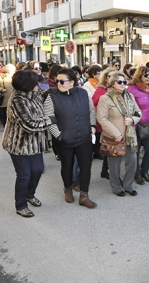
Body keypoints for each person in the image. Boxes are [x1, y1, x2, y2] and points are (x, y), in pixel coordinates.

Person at [2, 70, 54, 217]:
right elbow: (29, 124)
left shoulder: (33, 94)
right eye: (35, 83)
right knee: (24, 175)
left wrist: (56, 90)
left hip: (34, 144)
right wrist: (50, 121)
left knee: (38, 170)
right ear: (27, 85)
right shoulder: (17, 100)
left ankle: (29, 194)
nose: (38, 85)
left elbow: (43, 95)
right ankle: (20, 205)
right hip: (18, 144)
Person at [44, 68, 97, 208]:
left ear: (72, 82)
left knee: (86, 166)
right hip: (64, 140)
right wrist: (59, 135)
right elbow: (49, 118)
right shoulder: (52, 96)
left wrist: (92, 126)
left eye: (62, 81)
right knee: (67, 166)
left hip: (84, 137)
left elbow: (91, 110)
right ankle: (67, 189)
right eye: (57, 81)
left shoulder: (83, 93)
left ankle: (84, 196)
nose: (59, 84)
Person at [97, 72, 141, 196]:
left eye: (124, 82)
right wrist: (116, 134)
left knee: (132, 161)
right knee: (114, 164)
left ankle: (128, 185)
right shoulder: (105, 98)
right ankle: (116, 187)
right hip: (114, 137)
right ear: (112, 83)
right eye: (119, 82)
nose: (123, 84)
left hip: (129, 136)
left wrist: (133, 120)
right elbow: (102, 118)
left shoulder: (130, 96)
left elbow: (138, 112)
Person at [127, 66, 149, 185]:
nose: (148, 77)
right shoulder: (131, 89)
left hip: (148, 124)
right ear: (139, 76)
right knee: (136, 152)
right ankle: (137, 174)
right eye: (146, 75)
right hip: (136, 125)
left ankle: (145, 171)